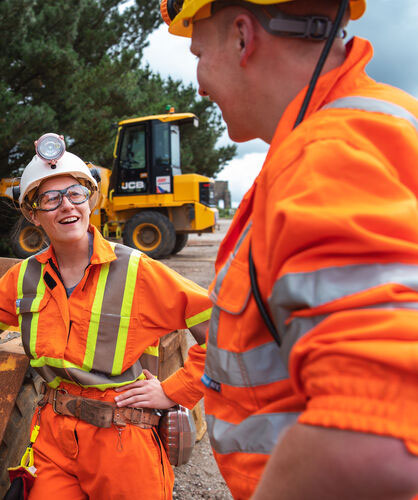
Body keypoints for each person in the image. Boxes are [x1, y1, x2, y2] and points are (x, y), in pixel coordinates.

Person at [159, 0, 418, 498]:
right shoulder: (380, 123)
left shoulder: (328, 158)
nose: (197, 82)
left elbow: (371, 440)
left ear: (242, 37)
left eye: (198, 53)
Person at [0, 137, 212, 500]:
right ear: (33, 213)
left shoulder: (139, 271)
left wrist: (172, 391)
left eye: (75, 193)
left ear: (90, 200)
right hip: (53, 442)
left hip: (124, 439)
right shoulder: (24, 276)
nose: (67, 206)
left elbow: (224, 331)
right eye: (51, 198)